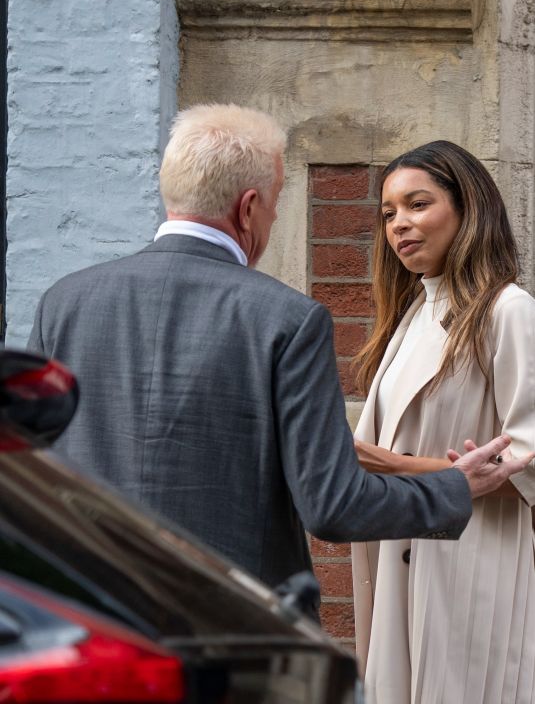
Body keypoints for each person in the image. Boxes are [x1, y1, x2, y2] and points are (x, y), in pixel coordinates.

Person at [27, 106, 530, 608]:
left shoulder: (63, 303)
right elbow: (334, 508)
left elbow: (25, 471)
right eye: (275, 203)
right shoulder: (285, 318)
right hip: (239, 625)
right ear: (248, 208)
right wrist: (453, 488)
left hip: (81, 615)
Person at [352, 140, 535, 704]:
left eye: (417, 204)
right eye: (388, 213)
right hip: (402, 559)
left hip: (475, 567)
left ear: (466, 208)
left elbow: (528, 459)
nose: (399, 224)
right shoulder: (411, 317)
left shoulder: (508, 310)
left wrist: (399, 467)